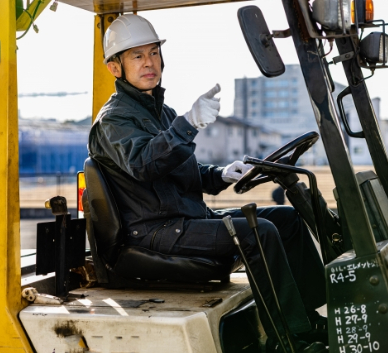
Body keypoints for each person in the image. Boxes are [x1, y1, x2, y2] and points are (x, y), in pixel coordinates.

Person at [88, 14, 328, 353]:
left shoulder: (162, 112)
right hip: (154, 231)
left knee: (285, 220)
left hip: (185, 219)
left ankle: (307, 314)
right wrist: (187, 124)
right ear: (116, 68)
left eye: (153, 53)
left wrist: (221, 174)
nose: (149, 63)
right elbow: (145, 164)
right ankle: (290, 338)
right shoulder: (114, 120)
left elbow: (183, 170)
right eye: (137, 56)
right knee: (258, 231)